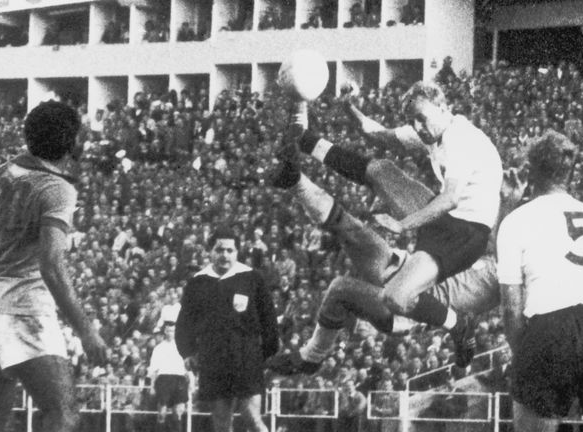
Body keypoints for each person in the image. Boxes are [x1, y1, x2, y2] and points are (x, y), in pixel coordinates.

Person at [265, 95, 521, 375]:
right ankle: (298, 166)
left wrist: (463, 363)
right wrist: (351, 109)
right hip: (415, 258)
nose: (418, 125)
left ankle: (311, 357)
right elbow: (382, 136)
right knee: (364, 206)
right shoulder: (444, 133)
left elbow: (509, 296)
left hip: (407, 308)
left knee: (340, 287)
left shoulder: (508, 277)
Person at [291, 81, 502, 334]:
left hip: (465, 232)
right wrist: (349, 108)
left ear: (444, 108)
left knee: (397, 297)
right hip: (448, 218)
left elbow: (450, 199)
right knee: (381, 171)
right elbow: (377, 134)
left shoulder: (461, 139)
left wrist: (403, 225)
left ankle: (454, 326)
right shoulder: (435, 128)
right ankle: (305, 140)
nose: (418, 128)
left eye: (421, 119)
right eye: (413, 121)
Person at [0, 100, 108, 432]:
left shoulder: (0, 173)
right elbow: (52, 266)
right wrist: (86, 331)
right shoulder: (58, 189)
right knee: (62, 414)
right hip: (22, 309)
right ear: (69, 142)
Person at [497, 131, 583, 432]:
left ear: (530, 170)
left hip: (551, 327)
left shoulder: (516, 220)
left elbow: (510, 308)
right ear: (568, 171)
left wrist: (528, 356)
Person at [175, 227, 279, 432]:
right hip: (213, 357)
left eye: (230, 250)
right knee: (221, 422)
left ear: (237, 252)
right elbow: (185, 321)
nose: (224, 255)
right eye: (219, 250)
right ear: (210, 251)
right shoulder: (198, 282)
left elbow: (269, 319)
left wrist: (267, 353)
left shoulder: (252, 278)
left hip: (246, 355)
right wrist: (187, 352)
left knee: (252, 416)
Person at [149, 322, 191, 431]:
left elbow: (188, 367)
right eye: (168, 330)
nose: (170, 333)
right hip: (164, 380)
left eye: (172, 331)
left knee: (177, 413)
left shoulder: (183, 347)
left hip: (179, 380)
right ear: (165, 331)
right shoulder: (159, 348)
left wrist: (191, 383)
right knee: (162, 413)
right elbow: (153, 369)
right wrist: (152, 386)